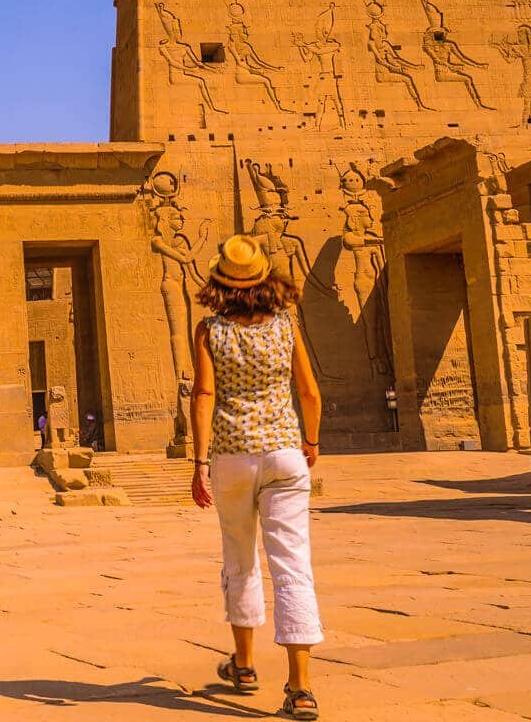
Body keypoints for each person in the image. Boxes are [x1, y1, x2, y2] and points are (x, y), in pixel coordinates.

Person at [189, 233, 324, 720]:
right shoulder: (286, 326)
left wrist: (198, 462)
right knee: (293, 566)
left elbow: (204, 395)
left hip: (231, 455)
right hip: (285, 452)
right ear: (266, 280)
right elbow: (308, 392)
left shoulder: (209, 330)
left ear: (220, 284)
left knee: (239, 559)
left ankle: (245, 665)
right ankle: (300, 686)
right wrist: (309, 441)